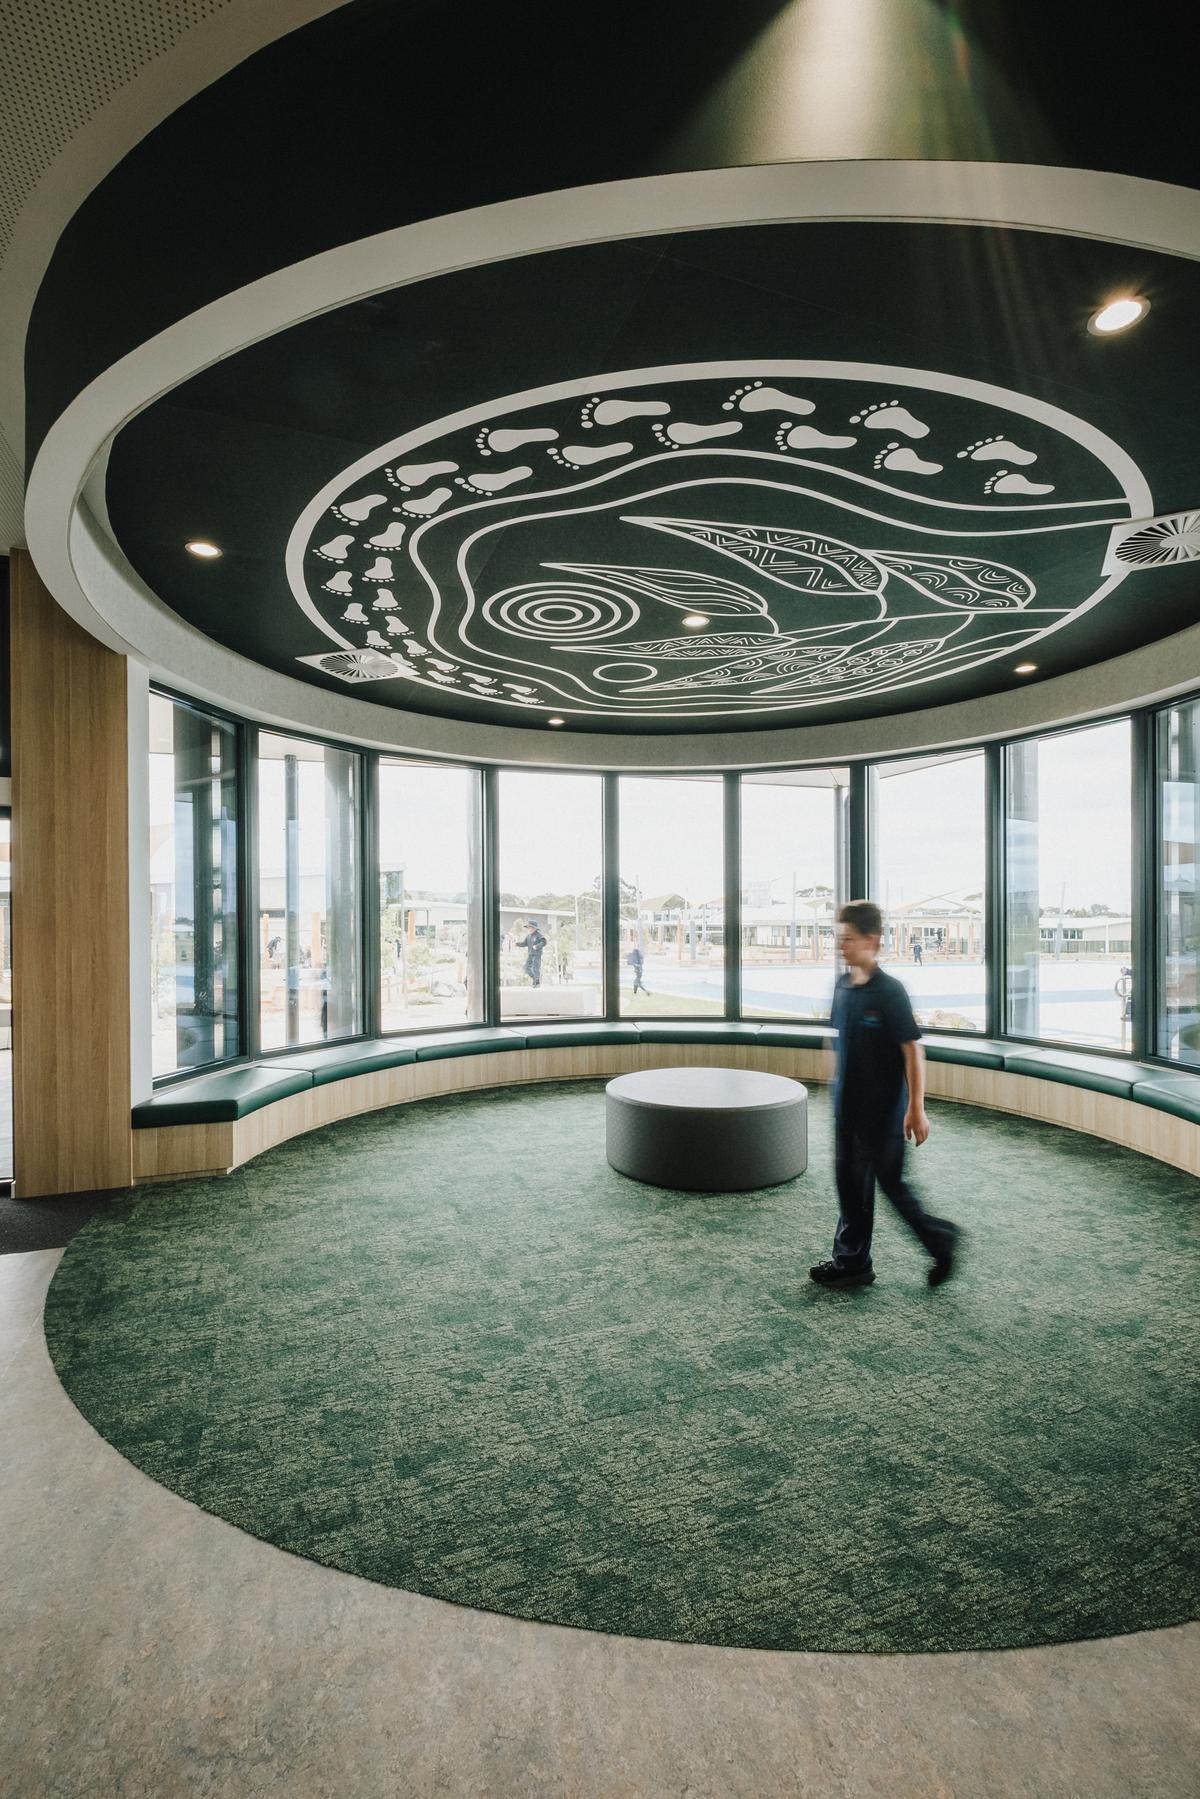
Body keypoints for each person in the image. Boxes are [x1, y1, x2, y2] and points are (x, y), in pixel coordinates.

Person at [810, 900, 960, 1291]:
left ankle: (940, 1240)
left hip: (883, 1114)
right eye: (838, 938)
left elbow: (913, 1049)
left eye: (848, 939)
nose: (840, 946)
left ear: (871, 940)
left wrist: (916, 1108)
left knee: (892, 1187)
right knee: (849, 1186)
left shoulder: (890, 992)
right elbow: (839, 1040)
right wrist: (834, 1083)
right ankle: (853, 1262)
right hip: (847, 1108)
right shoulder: (842, 987)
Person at [519, 919, 547, 988]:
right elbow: (524, 944)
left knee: (535, 967)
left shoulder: (539, 935)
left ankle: (537, 983)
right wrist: (516, 944)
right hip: (530, 954)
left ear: (535, 928)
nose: (529, 929)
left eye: (530, 927)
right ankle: (535, 979)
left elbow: (544, 942)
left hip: (537, 954)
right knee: (526, 968)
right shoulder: (528, 936)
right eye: (528, 928)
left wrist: (537, 946)